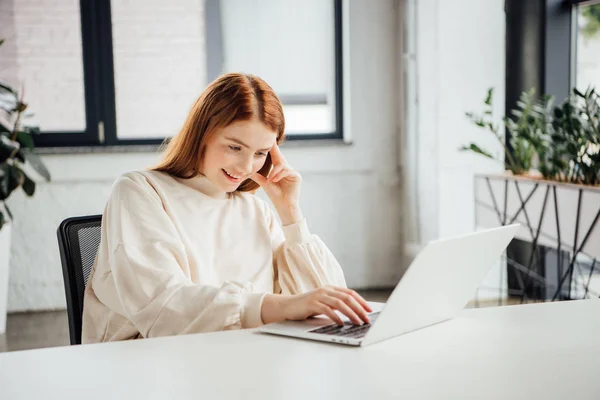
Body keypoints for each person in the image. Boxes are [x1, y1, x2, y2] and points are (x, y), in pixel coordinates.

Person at [81, 73, 372, 343]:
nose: (247, 167)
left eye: (260, 153)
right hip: (158, 369)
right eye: (235, 147)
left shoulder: (255, 210)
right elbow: (163, 308)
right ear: (202, 134)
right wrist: (272, 305)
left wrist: (291, 213)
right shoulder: (140, 191)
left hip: (247, 361)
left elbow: (326, 307)